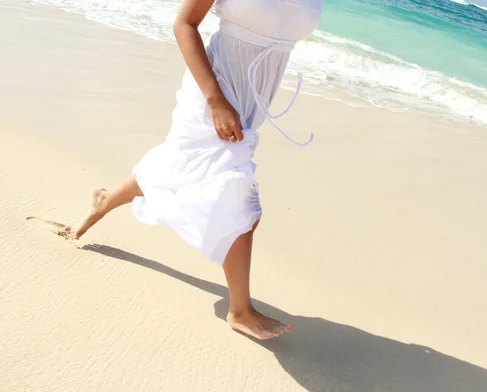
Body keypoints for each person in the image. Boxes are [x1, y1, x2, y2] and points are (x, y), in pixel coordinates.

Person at [69, 0, 322, 340]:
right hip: (211, 93)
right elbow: (184, 24)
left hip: (250, 103)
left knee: (179, 167)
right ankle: (240, 311)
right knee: (238, 194)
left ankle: (106, 200)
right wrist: (215, 101)